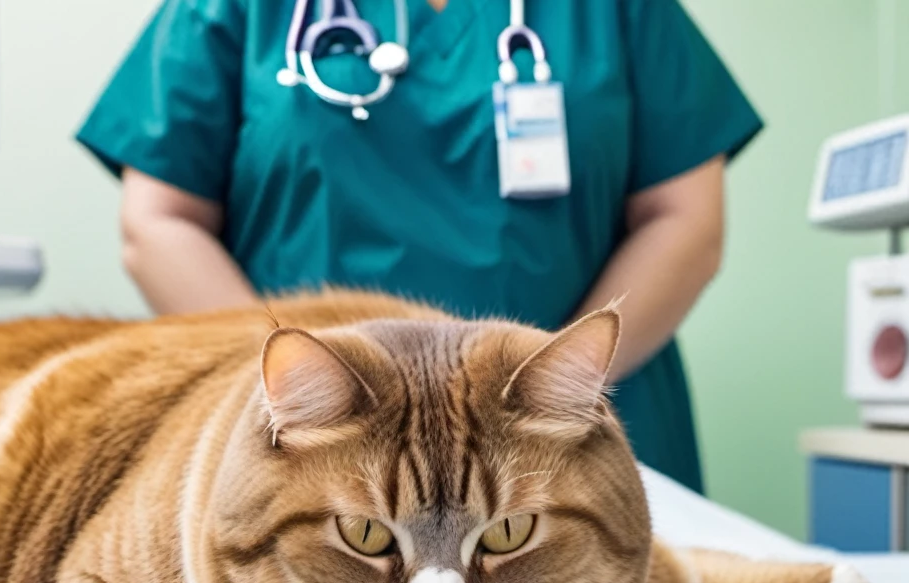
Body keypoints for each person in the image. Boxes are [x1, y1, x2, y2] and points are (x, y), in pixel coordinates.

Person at [75, 0, 762, 493]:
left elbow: (685, 222)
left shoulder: (620, 12)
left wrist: (555, 394)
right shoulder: (231, 11)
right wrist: (295, 396)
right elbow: (159, 223)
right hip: (317, 452)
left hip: (565, 442)